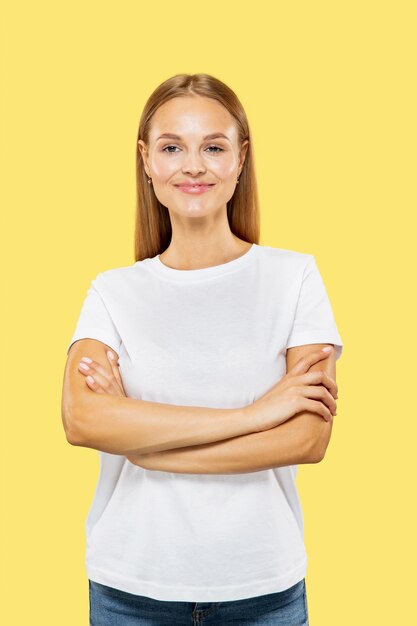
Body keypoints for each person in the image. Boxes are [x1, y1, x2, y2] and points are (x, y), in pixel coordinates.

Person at [62, 73, 343, 626]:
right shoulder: (113, 292)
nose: (194, 165)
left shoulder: (295, 278)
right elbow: (84, 419)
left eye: (213, 147)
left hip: (262, 588)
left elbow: (308, 437)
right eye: (172, 148)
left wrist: (143, 446)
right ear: (146, 161)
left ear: (241, 159)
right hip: (130, 588)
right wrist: (255, 415)